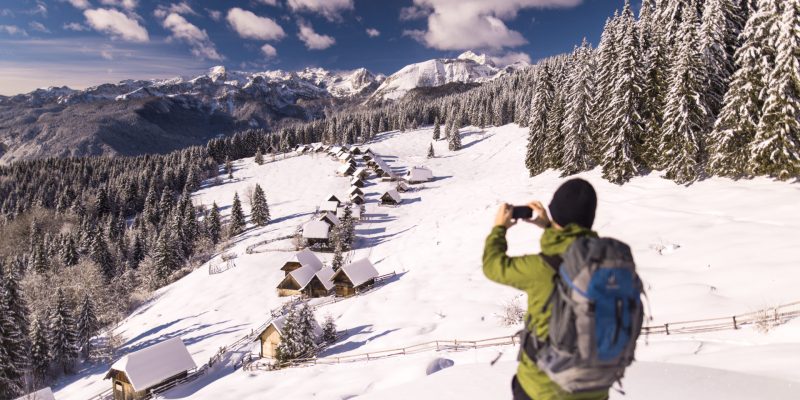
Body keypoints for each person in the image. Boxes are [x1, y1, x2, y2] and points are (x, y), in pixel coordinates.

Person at [482, 178, 608, 400]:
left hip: (542, 389)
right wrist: (551, 227)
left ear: (555, 215)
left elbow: (493, 266)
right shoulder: (609, 264)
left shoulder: (541, 270)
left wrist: (499, 229)